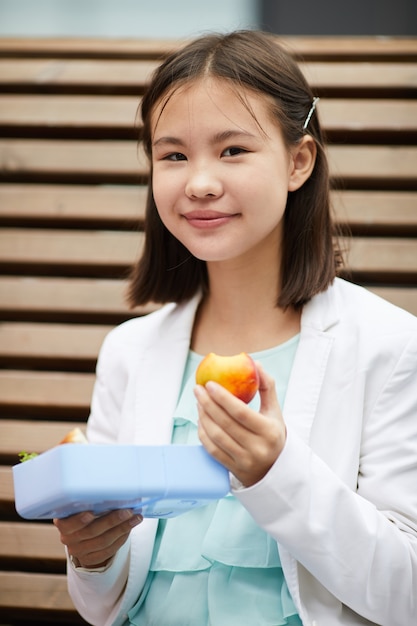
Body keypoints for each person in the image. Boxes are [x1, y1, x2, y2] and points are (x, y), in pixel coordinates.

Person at [53, 30, 417, 626]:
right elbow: (101, 607)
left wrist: (277, 472)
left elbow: (408, 594)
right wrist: (94, 561)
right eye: (173, 155)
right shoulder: (129, 351)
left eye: (232, 151)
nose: (199, 182)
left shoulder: (390, 347)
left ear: (299, 162)